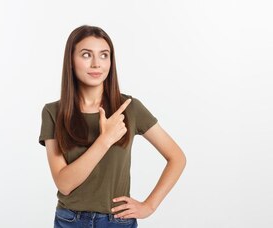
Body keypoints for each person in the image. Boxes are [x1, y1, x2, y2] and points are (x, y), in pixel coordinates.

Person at [38, 25, 186, 228]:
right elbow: (64, 184)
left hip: (117, 221)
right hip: (70, 220)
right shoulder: (53, 112)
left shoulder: (129, 108)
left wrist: (149, 206)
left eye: (104, 55)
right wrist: (105, 140)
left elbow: (177, 157)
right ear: (71, 61)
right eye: (86, 55)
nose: (97, 64)